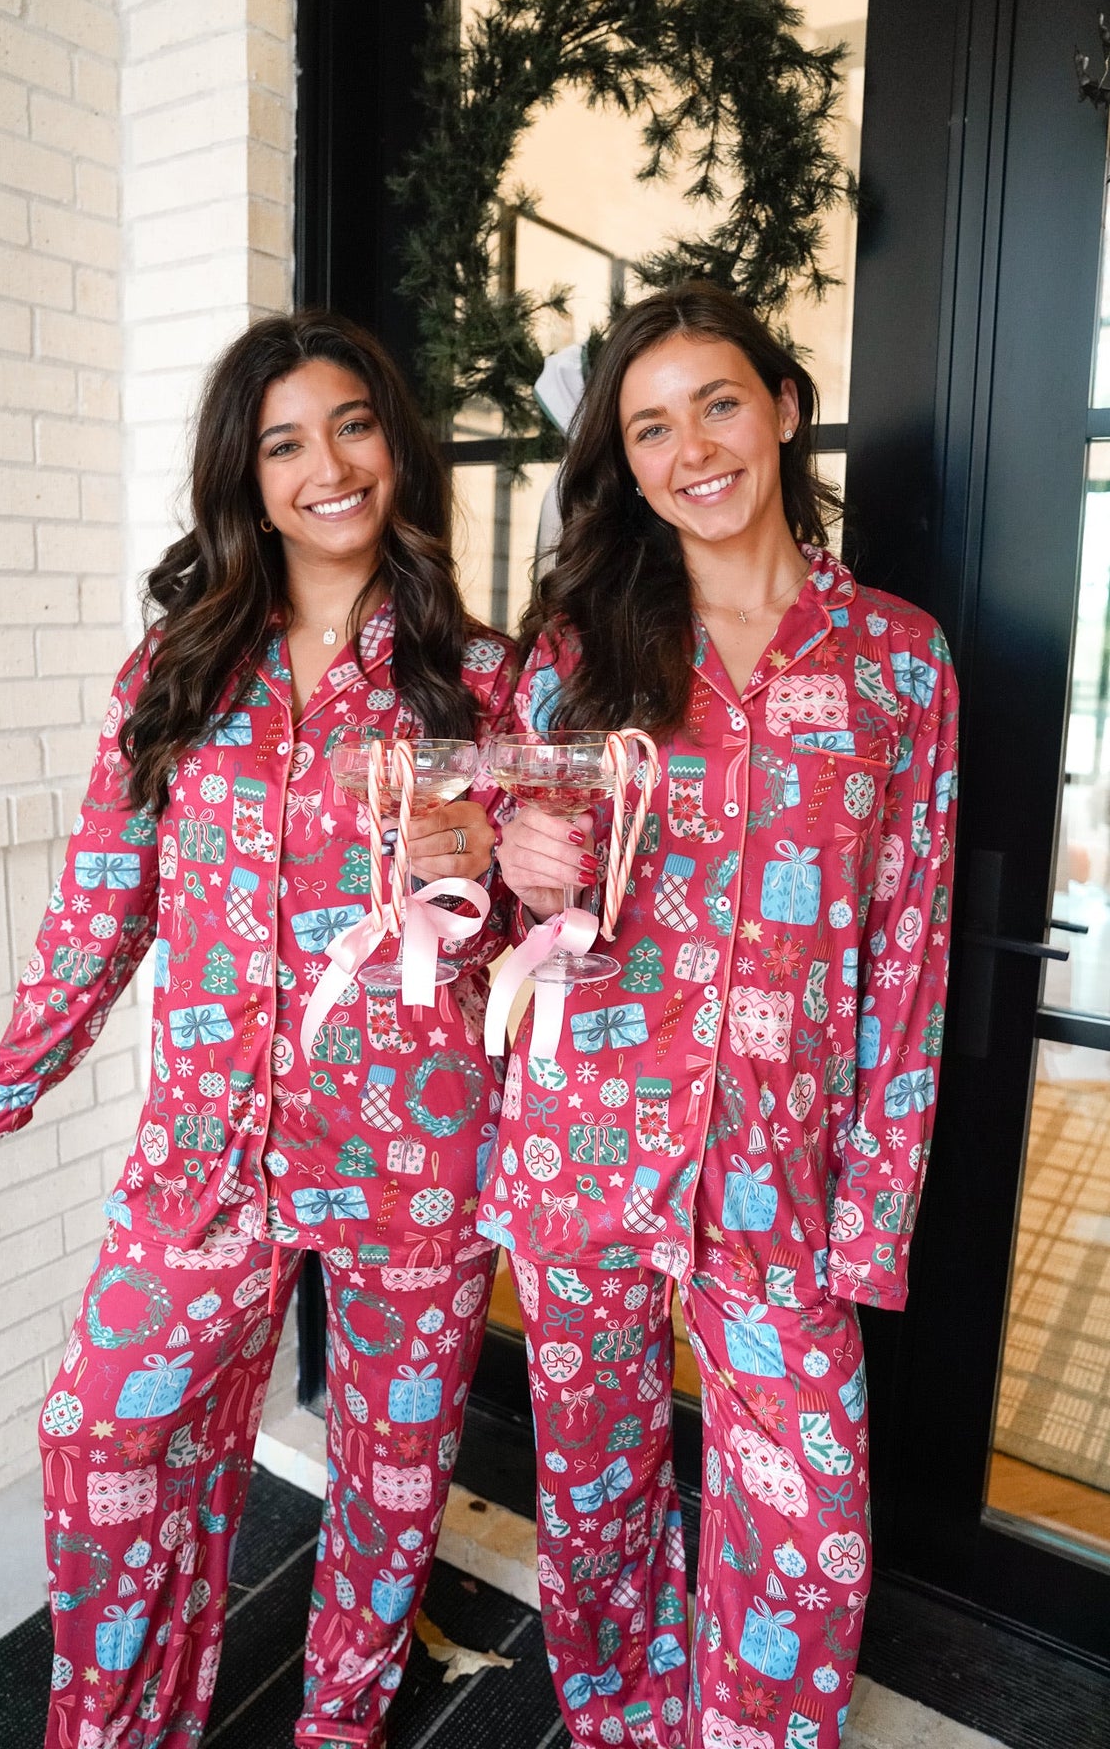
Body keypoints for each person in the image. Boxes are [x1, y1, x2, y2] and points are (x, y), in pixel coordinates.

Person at [0, 310, 514, 1749]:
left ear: (396, 446)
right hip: (209, 1146)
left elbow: (548, 946)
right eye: (284, 444)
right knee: (102, 1430)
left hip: (417, 1152)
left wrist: (493, 874)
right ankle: (122, 1729)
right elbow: (103, 905)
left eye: (354, 427)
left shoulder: (489, 678)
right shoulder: (178, 673)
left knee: (390, 1477)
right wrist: (2, 1087)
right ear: (245, 480)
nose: (329, 467)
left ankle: (341, 1726)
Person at [482, 281, 959, 1749]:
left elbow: (912, 949)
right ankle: (619, 1720)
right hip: (584, 1143)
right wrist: (513, 855)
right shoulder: (575, 654)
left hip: (780, 1169)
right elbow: (496, 877)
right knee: (597, 1491)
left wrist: (873, 1210)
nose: (691, 448)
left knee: (809, 1522)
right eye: (649, 428)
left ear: (784, 409)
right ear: (625, 467)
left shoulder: (897, 661)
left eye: (718, 404)